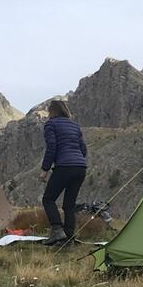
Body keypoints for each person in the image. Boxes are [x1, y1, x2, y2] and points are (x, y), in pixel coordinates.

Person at [40, 99, 87, 246]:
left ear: (52, 111)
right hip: (80, 168)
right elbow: (83, 149)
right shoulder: (75, 126)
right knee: (69, 205)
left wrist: (45, 169)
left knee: (48, 199)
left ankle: (57, 230)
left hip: (64, 167)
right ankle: (69, 239)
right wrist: (76, 159)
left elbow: (51, 147)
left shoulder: (51, 124)